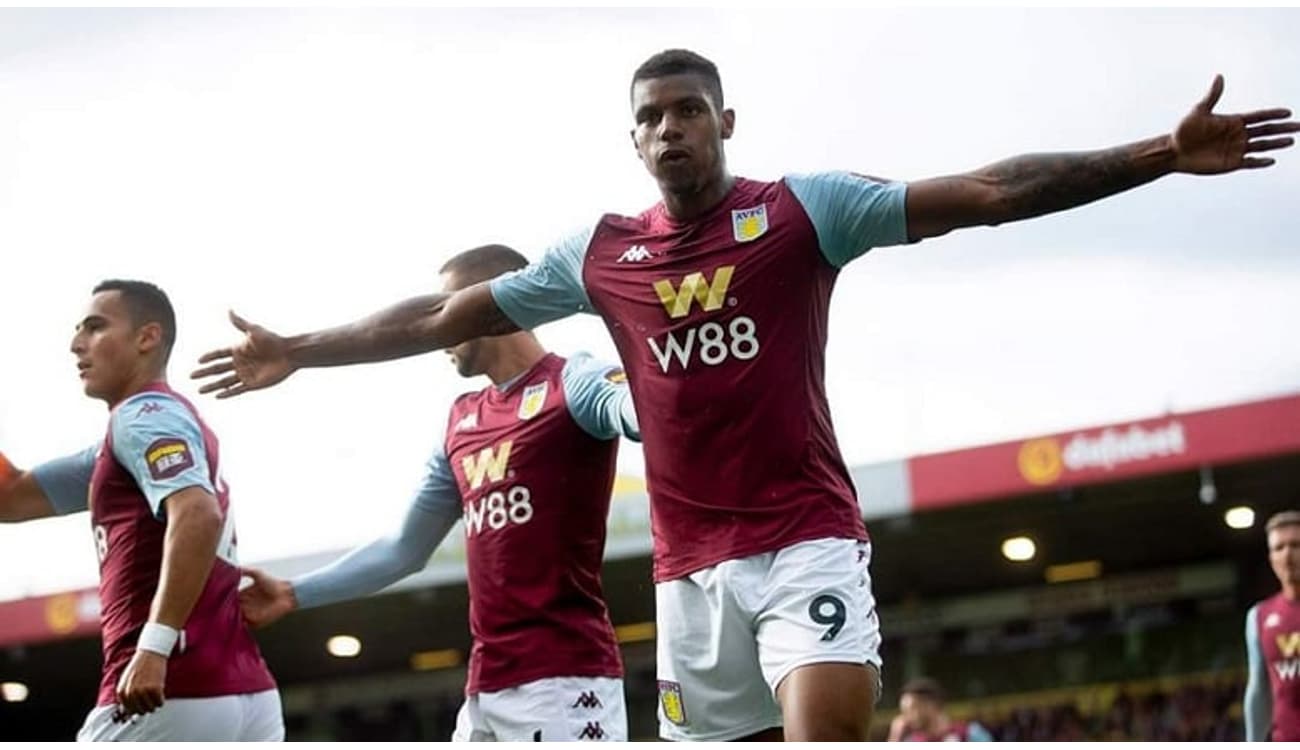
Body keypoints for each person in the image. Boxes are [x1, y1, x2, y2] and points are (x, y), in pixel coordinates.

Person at [191, 49, 1297, 741]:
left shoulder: (802, 212)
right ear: (632, 139)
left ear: (725, 120)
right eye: (651, 117)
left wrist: (1157, 152)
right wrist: (299, 346)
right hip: (686, 579)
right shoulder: (596, 256)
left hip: (806, 541)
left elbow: (986, 194)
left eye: (689, 109)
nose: (670, 128)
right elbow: (439, 319)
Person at [237, 245, 639, 741]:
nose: (436, 331)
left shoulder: (574, 380)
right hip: (486, 687)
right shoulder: (461, 420)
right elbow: (403, 551)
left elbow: (641, 412)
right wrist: (295, 593)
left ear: (492, 304)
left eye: (446, 313)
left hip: (564, 681)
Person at [0, 280, 281, 741]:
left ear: (147, 338)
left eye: (95, 327)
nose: (76, 345)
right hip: (244, 689)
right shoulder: (132, 438)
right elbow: (10, 498)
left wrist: (154, 647)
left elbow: (198, 515)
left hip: (168, 689)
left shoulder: (143, 416)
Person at [1245, 511, 1300, 741]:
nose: (1287, 555)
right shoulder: (1259, 617)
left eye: (1296, 545)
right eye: (1279, 548)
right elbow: (1258, 689)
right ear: (1271, 558)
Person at [887, 678, 993, 742]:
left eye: (910, 710)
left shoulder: (970, 733)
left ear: (931, 706)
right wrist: (894, 738)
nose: (905, 718)